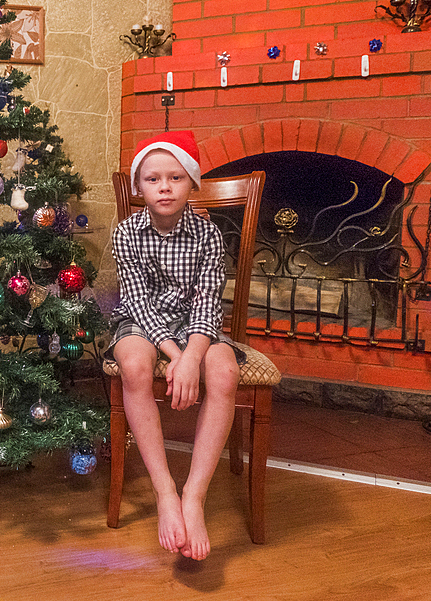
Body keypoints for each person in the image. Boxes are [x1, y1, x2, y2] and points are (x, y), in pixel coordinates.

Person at [110, 130, 242, 561]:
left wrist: (194, 356)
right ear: (138, 187)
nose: (164, 187)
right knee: (133, 367)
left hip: (195, 326)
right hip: (143, 322)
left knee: (224, 372)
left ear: (192, 182)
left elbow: (207, 305)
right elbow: (138, 304)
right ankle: (165, 491)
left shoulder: (208, 236)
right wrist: (176, 358)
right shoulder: (126, 234)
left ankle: (194, 496)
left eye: (175, 177)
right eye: (152, 179)